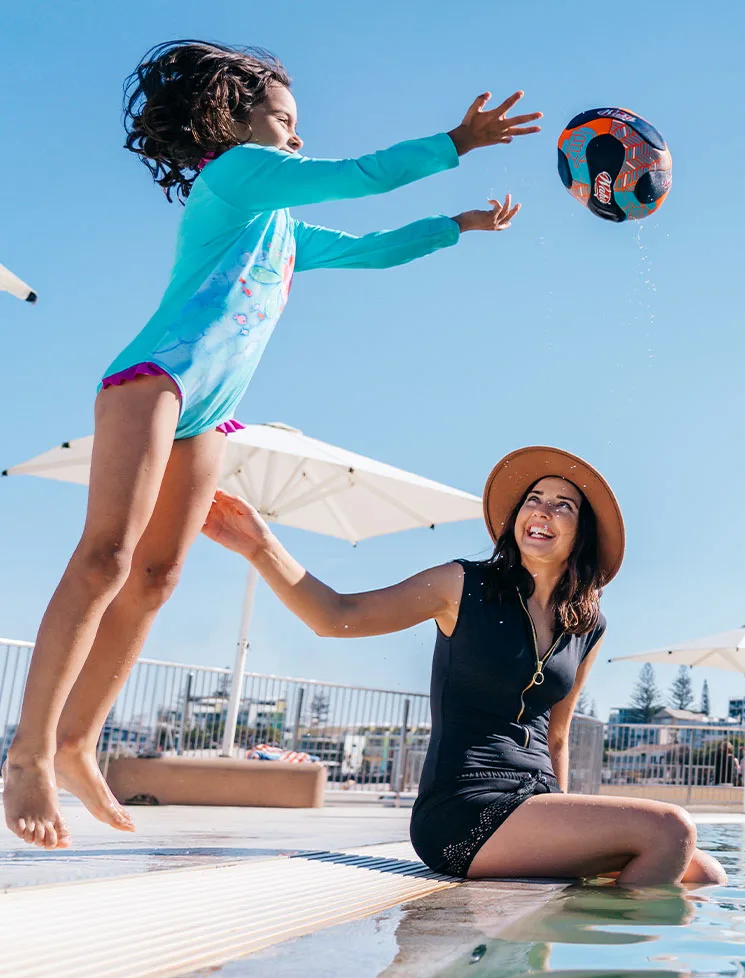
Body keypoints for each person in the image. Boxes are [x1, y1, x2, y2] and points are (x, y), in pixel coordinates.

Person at [4, 39, 540, 850]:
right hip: (154, 381)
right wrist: (456, 145)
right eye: (282, 118)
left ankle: (80, 743)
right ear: (235, 118)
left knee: (156, 580)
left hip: (209, 411)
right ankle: (29, 755)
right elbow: (358, 175)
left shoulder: (281, 229)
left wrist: (457, 226)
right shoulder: (234, 178)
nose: (293, 134)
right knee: (106, 559)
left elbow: (369, 248)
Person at [200, 446, 726, 887]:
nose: (541, 512)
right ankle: (580, 938)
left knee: (705, 873)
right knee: (670, 831)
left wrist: (567, 830)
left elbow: (556, 735)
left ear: (581, 532)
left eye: (562, 505)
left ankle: (564, 956)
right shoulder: (461, 585)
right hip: (463, 808)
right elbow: (338, 616)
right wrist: (262, 548)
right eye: (534, 500)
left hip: (533, 803)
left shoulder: (586, 624)